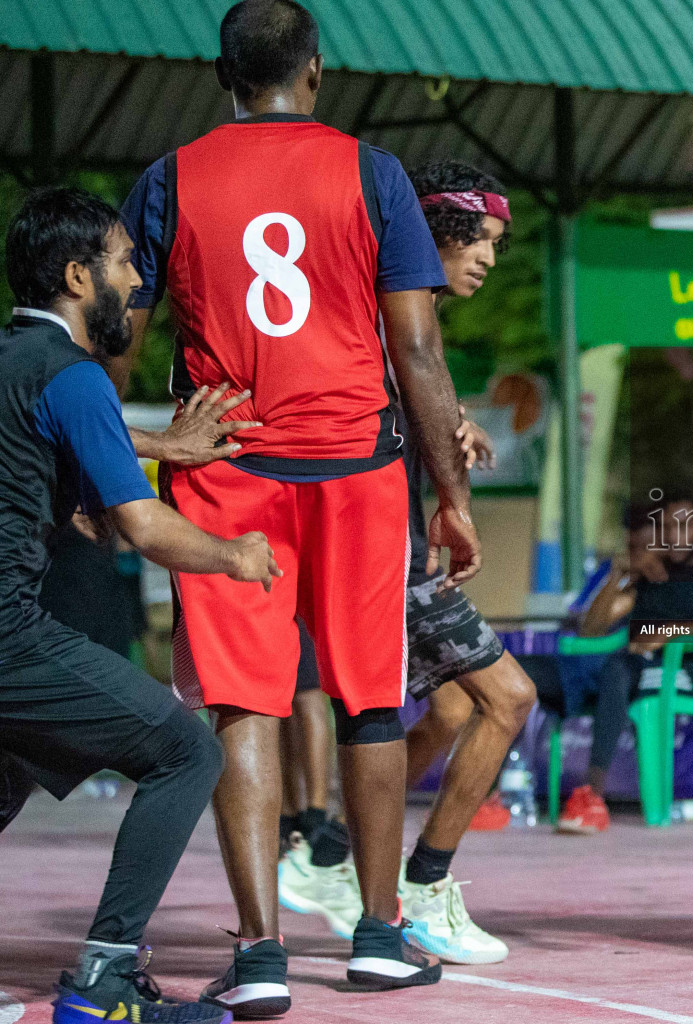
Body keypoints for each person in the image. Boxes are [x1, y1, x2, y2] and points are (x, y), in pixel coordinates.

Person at [120, 1, 477, 1015]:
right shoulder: (372, 173)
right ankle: (376, 933)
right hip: (357, 470)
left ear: (221, 73)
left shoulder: (168, 179)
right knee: (370, 698)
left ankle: (263, 950)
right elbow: (417, 350)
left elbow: (112, 343)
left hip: (226, 468)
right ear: (315, 71)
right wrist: (451, 495)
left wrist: (144, 447)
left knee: (246, 703)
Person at [0, 186, 278, 1024]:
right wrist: (236, 555)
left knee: (6, 773)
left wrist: (152, 443)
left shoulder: (14, 362)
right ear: (80, 277)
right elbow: (140, 522)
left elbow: (57, 450)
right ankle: (104, 980)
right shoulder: (73, 374)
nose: (135, 277)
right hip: (8, 633)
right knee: (186, 752)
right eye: (125, 261)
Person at [275, 160, 537, 965]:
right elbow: (404, 371)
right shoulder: (396, 298)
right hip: (383, 542)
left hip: (382, 540)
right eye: (482, 241)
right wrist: (448, 477)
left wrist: (453, 418)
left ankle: (337, 862)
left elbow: (409, 380)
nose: (490, 259)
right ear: (441, 229)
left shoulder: (380, 299)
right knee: (509, 698)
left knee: (453, 711)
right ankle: (421, 886)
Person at [520, 497, 693, 834]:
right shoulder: (651, 576)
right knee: (516, 674)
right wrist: (617, 576)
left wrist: (675, 632)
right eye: (667, 527)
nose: (673, 535)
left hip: (680, 670)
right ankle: (488, 796)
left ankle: (593, 797)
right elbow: (592, 628)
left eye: (683, 526)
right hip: (628, 665)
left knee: (614, 668)